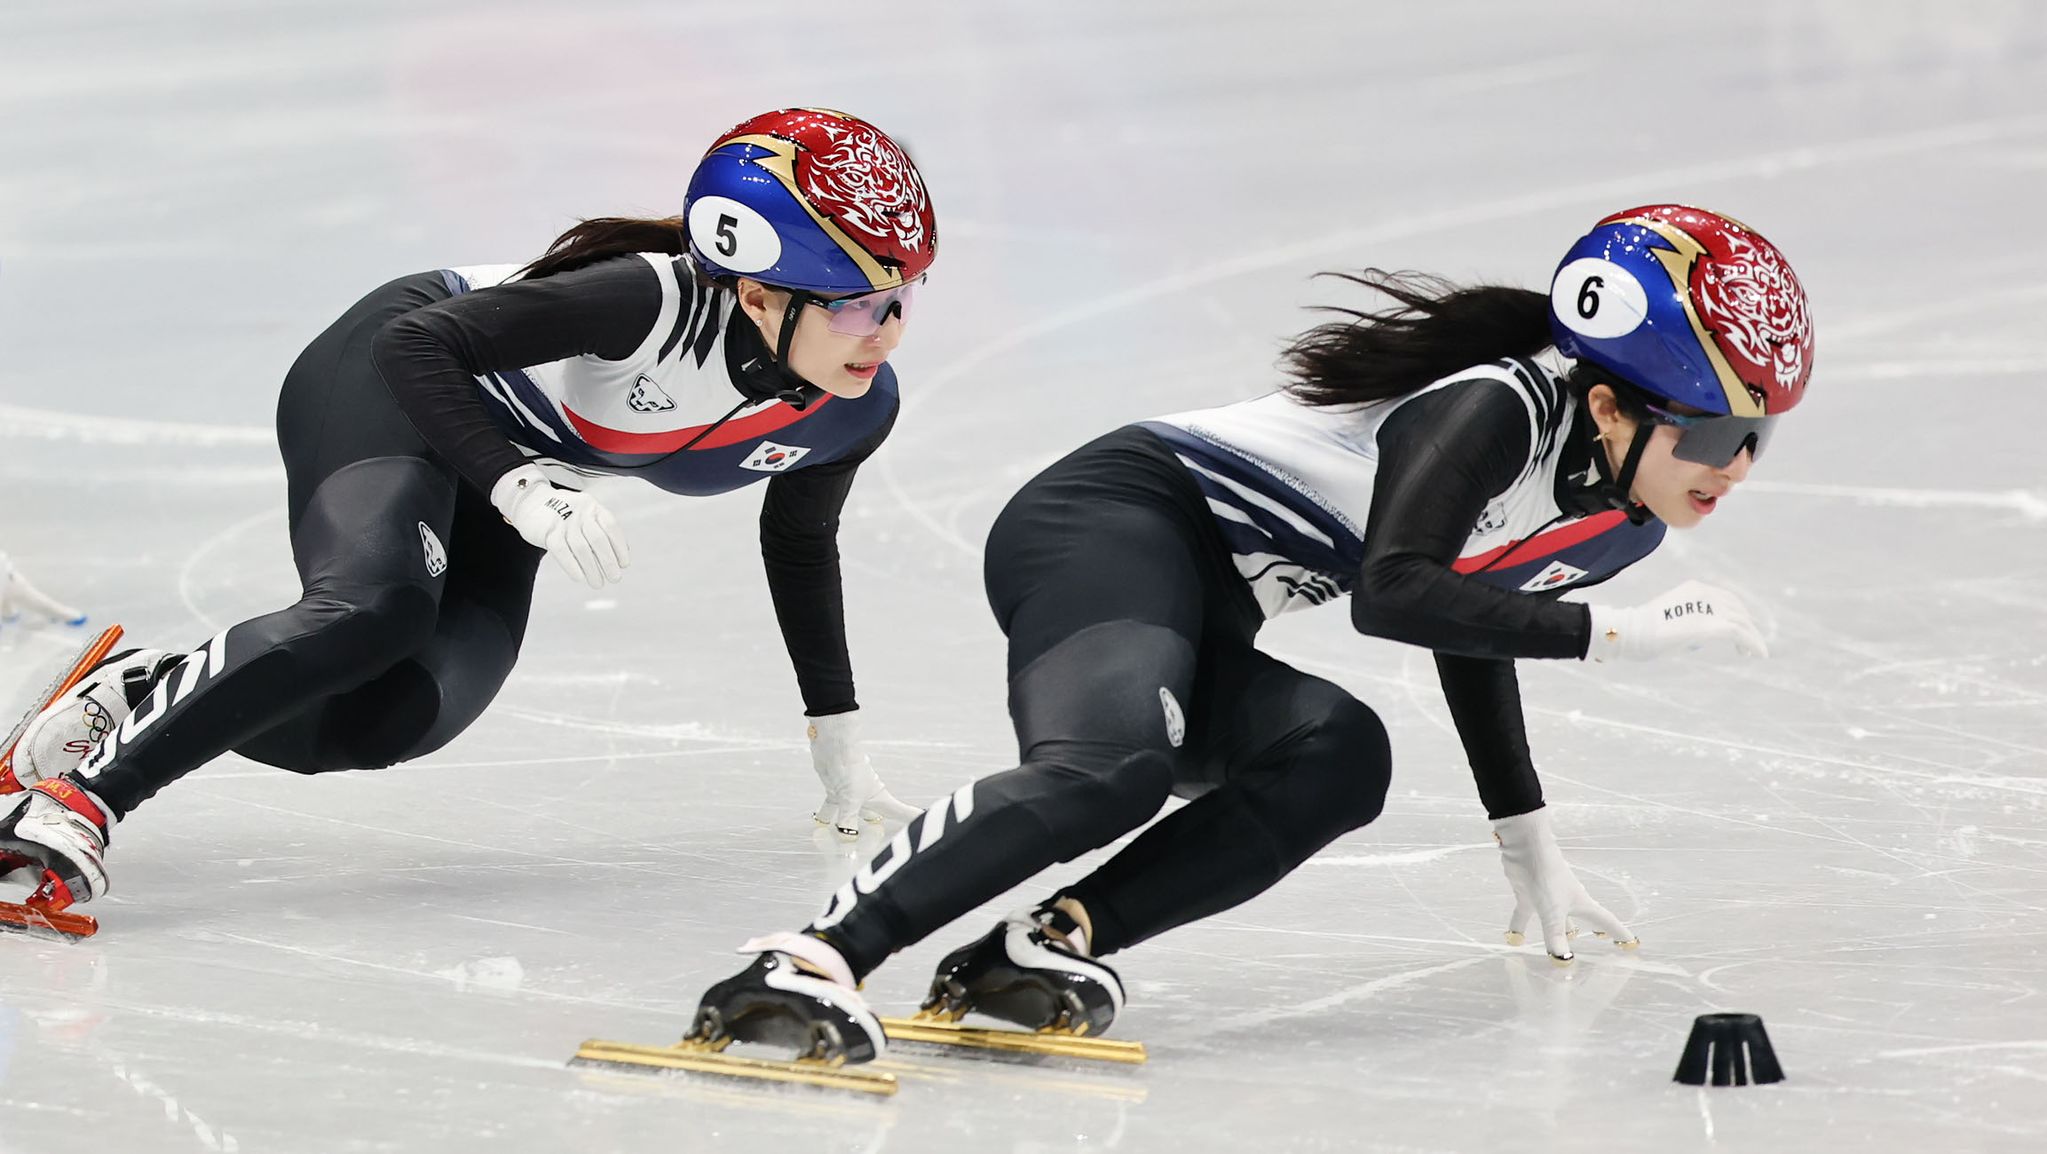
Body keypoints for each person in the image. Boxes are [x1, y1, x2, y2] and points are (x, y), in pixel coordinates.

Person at [685, 204, 1813, 1067]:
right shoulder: (1495, 406)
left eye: (1758, 432)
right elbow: (1397, 591)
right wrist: (1612, 638)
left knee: (1339, 753)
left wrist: (1524, 835)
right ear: (1610, 401)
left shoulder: (1620, 520)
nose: (1734, 465)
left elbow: (1472, 618)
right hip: (1115, 522)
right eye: (1712, 426)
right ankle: (808, 955)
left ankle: (1048, 942)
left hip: (1208, 603)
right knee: (1107, 769)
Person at [0, 108, 937, 915]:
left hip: (513, 465)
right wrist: (518, 486)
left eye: (901, 299)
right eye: (859, 309)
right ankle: (79, 801)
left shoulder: (858, 409)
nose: (886, 336)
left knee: (389, 722)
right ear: (759, 292)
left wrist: (836, 730)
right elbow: (414, 347)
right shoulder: (643, 302)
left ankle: (142, 687)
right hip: (396, 380)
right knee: (377, 609)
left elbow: (803, 547)